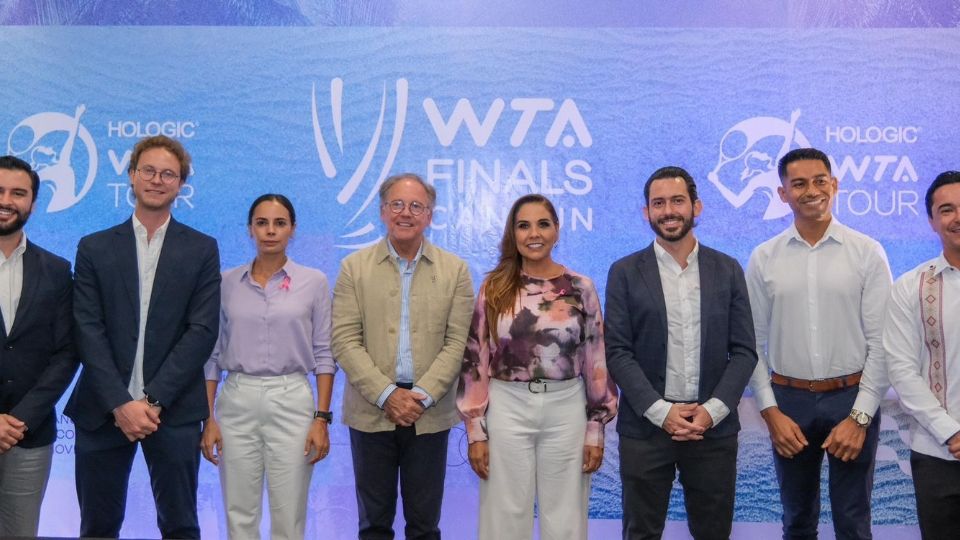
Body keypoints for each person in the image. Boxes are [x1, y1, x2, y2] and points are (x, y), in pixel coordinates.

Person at [65, 135, 221, 539]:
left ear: (181, 184)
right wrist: (120, 402)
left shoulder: (202, 249)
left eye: (168, 173)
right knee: (98, 527)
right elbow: (87, 328)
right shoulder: (94, 247)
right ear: (131, 176)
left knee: (181, 526)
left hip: (173, 410)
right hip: (103, 408)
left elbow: (201, 331)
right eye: (148, 170)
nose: (157, 180)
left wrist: (150, 401)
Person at [605, 166, 757, 540]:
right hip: (646, 428)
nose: (668, 210)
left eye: (677, 201)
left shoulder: (728, 269)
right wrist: (662, 413)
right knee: (640, 532)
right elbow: (618, 351)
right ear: (646, 212)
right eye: (658, 203)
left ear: (696, 206)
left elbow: (744, 352)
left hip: (713, 430)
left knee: (713, 532)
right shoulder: (624, 272)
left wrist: (711, 411)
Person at [747, 148, 891, 539]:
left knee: (853, 520)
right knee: (797, 520)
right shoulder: (763, 258)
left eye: (819, 181)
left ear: (835, 185)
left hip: (852, 397)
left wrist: (860, 416)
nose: (811, 191)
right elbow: (752, 344)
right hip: (788, 402)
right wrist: (770, 411)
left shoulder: (867, 252)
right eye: (799, 184)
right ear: (782, 194)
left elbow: (882, 344)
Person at [457, 194, 618, 540]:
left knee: (566, 518)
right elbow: (476, 360)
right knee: (504, 517)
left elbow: (596, 360)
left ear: (557, 231)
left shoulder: (580, 288)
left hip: (566, 408)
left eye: (543, 224)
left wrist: (595, 427)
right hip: (507, 406)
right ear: (512, 234)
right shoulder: (494, 288)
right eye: (523, 225)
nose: (534, 233)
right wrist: (476, 430)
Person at [331, 173, 474, 540]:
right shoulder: (354, 268)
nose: (405, 213)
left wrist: (420, 396)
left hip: (429, 412)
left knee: (425, 526)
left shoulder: (455, 270)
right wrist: (387, 394)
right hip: (371, 410)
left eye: (416, 206)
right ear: (382, 211)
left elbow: (458, 342)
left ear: (430, 215)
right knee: (374, 525)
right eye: (397, 204)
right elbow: (345, 340)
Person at [201, 194, 335, 539]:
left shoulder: (314, 282)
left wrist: (321, 419)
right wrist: (209, 417)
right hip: (237, 398)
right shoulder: (226, 282)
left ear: (293, 230)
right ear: (250, 229)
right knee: (239, 511)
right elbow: (212, 356)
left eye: (279, 223)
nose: (270, 231)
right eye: (262, 223)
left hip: (292, 397)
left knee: (289, 513)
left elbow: (324, 354)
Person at [0, 156, 78, 537]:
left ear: (32, 202)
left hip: (28, 434)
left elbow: (67, 352)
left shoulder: (57, 270)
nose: (7, 200)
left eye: (18, 192)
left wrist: (19, 418)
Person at [883, 171, 960, 540]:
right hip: (937, 451)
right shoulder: (911, 286)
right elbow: (901, 369)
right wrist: (951, 433)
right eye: (946, 210)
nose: (957, 217)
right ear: (932, 220)